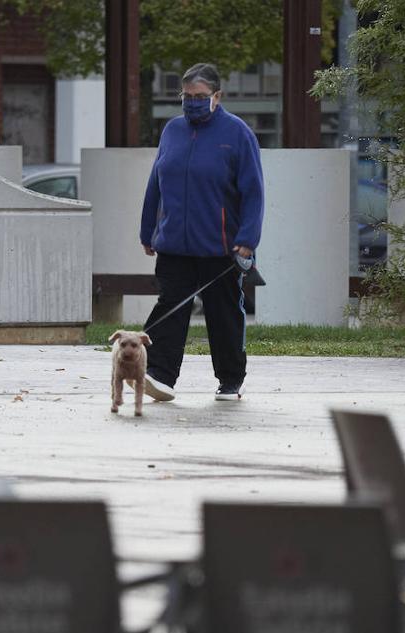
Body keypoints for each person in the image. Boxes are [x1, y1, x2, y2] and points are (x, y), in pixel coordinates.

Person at [139, 62, 265, 402]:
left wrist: (247, 240)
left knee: (223, 315)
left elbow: (254, 191)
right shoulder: (172, 131)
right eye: (187, 96)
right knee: (170, 307)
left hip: (221, 247)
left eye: (200, 96)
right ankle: (158, 376)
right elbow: (156, 183)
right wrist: (148, 229)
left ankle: (230, 379)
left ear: (217, 96)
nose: (192, 101)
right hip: (174, 245)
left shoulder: (238, 134)